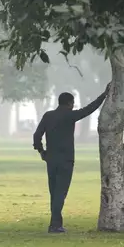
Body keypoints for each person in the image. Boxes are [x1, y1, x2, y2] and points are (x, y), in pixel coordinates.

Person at [33, 84, 110, 234]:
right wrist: (104, 95)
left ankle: (55, 224)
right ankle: (55, 226)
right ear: (69, 103)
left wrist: (41, 151)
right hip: (66, 160)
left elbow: (37, 136)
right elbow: (89, 109)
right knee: (60, 193)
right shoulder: (70, 115)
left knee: (54, 192)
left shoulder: (48, 116)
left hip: (51, 159)